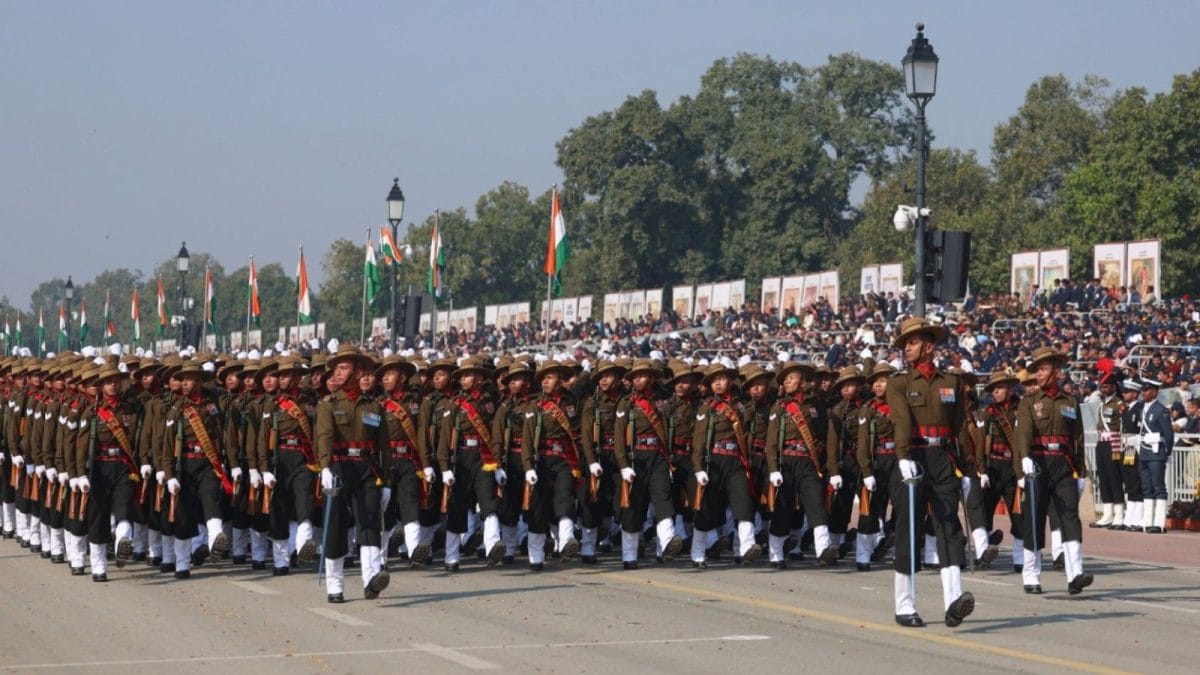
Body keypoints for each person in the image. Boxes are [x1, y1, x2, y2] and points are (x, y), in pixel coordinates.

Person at [886, 317, 974, 628]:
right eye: (904, 344)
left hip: (943, 458)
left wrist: (969, 468)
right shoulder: (899, 382)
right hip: (913, 457)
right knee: (909, 529)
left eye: (912, 342)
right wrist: (902, 455)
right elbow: (900, 421)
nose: (906, 348)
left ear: (929, 345)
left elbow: (962, 426)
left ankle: (954, 601)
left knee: (948, 525)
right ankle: (905, 605)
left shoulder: (952, 381)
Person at [314, 345, 391, 602]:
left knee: (369, 521)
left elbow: (384, 446)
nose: (337, 372)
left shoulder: (374, 406)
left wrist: (387, 481)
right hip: (338, 468)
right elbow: (324, 437)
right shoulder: (328, 405)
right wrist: (324, 467)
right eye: (335, 368)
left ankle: (371, 579)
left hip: (366, 470)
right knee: (335, 526)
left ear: (358, 372)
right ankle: (335, 584)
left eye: (344, 367)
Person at [1013, 346, 1092, 595]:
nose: (1038, 374)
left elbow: (1077, 438)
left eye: (1044, 369)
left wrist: (1081, 471)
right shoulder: (1029, 402)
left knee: (1070, 515)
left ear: (1056, 372)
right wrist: (1024, 459)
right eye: (1037, 369)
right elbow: (1023, 432)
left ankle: (1074, 573)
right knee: (1035, 519)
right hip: (1038, 463)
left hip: (1063, 465)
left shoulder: (1070, 401)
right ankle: (1031, 574)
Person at [161, 362, 235, 579]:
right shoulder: (176, 410)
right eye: (181, 379)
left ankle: (216, 538)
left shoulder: (214, 406)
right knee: (183, 517)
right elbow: (166, 448)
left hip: (207, 463)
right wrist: (169, 476)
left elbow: (225, 435)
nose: (184, 383)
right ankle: (182, 563)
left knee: (211, 498)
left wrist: (230, 464)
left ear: (200, 381)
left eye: (189, 379)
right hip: (183, 466)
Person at [764, 361, 839, 568]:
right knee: (783, 508)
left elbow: (827, 438)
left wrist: (831, 469)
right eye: (785, 379)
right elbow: (771, 443)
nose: (787, 381)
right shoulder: (779, 408)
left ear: (803, 381)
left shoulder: (817, 406)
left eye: (791, 377)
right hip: (786, 462)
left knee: (816, 503)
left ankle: (823, 549)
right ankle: (776, 553)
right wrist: (773, 469)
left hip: (809, 462)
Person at [689, 363, 762, 568]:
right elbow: (698, 442)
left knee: (743, 503)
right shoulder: (708, 408)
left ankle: (746, 547)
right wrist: (698, 468)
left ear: (730, 381)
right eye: (714, 380)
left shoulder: (741, 406)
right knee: (707, 509)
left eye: (721, 379)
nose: (718, 383)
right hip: (714, 461)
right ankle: (697, 553)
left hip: (736, 461)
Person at [613, 358, 683, 569]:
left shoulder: (664, 402)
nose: (638, 380)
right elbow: (619, 438)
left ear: (651, 378)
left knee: (663, 498)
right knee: (633, 507)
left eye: (643, 376)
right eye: (635, 377)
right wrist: (624, 465)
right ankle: (629, 555)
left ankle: (669, 541)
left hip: (658, 456)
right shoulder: (626, 403)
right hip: (635, 459)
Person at [520, 360, 587, 569]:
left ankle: (567, 541)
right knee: (538, 509)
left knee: (565, 497)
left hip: (565, 460)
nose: (545, 382)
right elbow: (527, 440)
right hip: (542, 460)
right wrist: (529, 467)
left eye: (550, 377)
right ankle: (536, 554)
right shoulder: (536, 405)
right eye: (543, 378)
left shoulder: (571, 402)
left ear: (560, 379)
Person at [439, 356, 505, 570]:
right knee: (457, 508)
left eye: (468, 375)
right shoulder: (455, 403)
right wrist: (444, 468)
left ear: (478, 378)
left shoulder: (491, 402)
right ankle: (451, 556)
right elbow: (445, 437)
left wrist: (498, 464)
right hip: (461, 459)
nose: (463, 380)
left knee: (488, 502)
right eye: (462, 376)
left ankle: (493, 544)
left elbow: (496, 435)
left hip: (484, 458)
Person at [375, 354, 431, 567]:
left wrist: (425, 465)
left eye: (391, 373)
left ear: (403, 376)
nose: (386, 378)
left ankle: (415, 552)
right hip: (386, 462)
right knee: (385, 511)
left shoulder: (415, 402)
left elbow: (421, 435)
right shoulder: (378, 403)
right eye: (384, 374)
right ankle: (380, 558)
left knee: (410, 506)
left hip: (408, 460)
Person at [577, 360, 626, 563]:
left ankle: (615, 537)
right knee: (591, 502)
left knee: (621, 502)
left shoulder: (625, 400)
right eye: (600, 377)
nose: (604, 380)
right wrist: (591, 461)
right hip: (598, 456)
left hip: (619, 456)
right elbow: (587, 436)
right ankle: (588, 547)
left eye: (608, 376)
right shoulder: (592, 402)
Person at [976, 371, 1024, 572]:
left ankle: (1020, 559)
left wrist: (1022, 471)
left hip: (1013, 469)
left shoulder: (1022, 408)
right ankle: (984, 554)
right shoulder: (988, 411)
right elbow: (980, 442)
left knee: (1018, 515)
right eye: (993, 389)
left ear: (1009, 388)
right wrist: (982, 470)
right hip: (993, 467)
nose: (995, 392)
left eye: (999, 388)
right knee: (985, 513)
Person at [854, 363, 897, 570]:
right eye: (876, 382)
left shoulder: (902, 406)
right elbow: (862, 445)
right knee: (870, 510)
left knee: (903, 508)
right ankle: (863, 555)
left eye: (883, 380)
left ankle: (896, 547)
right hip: (878, 461)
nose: (878, 385)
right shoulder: (868, 410)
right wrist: (866, 471)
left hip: (898, 461)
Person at [826, 366, 865, 559]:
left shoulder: (868, 405)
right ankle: (835, 543)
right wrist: (833, 471)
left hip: (867, 459)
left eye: (851, 385)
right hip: (848, 460)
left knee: (870, 502)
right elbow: (832, 444)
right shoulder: (838, 410)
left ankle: (870, 542)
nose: (848, 389)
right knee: (842, 503)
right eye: (844, 386)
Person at [1133, 378, 1173, 533]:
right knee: (1146, 488)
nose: (1144, 393)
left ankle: (1159, 523)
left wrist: (1166, 452)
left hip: (1156, 453)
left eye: (1147, 390)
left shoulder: (1161, 410)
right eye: (1143, 390)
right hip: (1143, 452)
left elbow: (1168, 435)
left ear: (1155, 392)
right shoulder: (1142, 408)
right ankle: (1147, 521)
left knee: (1158, 487)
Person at [1089, 372, 1126, 529]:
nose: (1103, 390)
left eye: (1106, 386)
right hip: (1102, 443)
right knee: (1103, 477)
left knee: (1114, 477)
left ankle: (1119, 514)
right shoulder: (1101, 405)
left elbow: (1122, 426)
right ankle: (1107, 513)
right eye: (1101, 387)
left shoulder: (1119, 404)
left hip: (1114, 443)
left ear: (1113, 386)